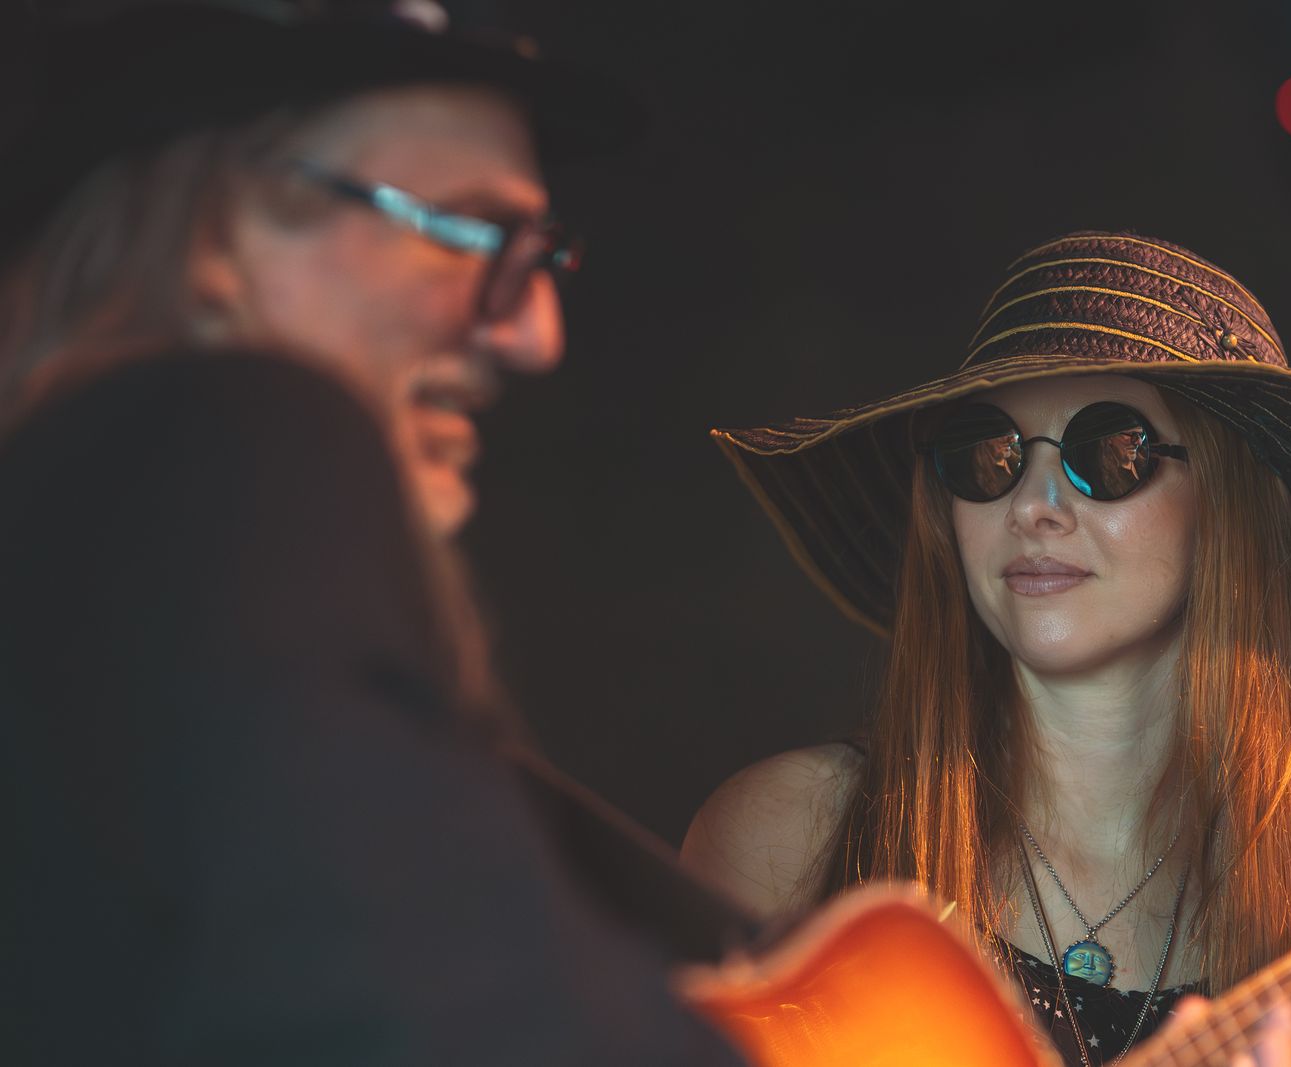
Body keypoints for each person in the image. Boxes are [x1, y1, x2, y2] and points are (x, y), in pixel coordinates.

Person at [0, 2, 746, 1062]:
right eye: (468, 232)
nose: (535, 332)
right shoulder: (224, 427)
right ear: (215, 231)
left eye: (539, 254)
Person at [685, 231, 1291, 1066]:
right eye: (987, 453)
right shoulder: (788, 838)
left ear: (1229, 509)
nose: (1033, 505)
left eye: (1110, 451)